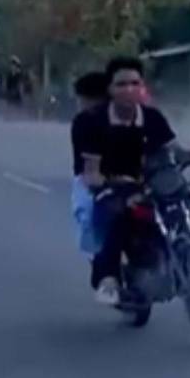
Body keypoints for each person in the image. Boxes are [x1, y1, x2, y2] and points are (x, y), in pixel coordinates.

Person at [72, 56, 190, 305]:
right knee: (117, 214)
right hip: (110, 182)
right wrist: (111, 184)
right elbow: (91, 173)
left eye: (134, 83)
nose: (129, 90)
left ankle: (188, 255)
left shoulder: (153, 118)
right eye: (121, 84)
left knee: (182, 197)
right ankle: (108, 279)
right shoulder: (91, 122)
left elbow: (175, 154)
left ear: (142, 87)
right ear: (110, 89)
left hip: (148, 179)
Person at [70, 72, 110, 257]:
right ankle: (104, 273)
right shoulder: (83, 122)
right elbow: (89, 168)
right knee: (90, 216)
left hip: (127, 179)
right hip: (92, 181)